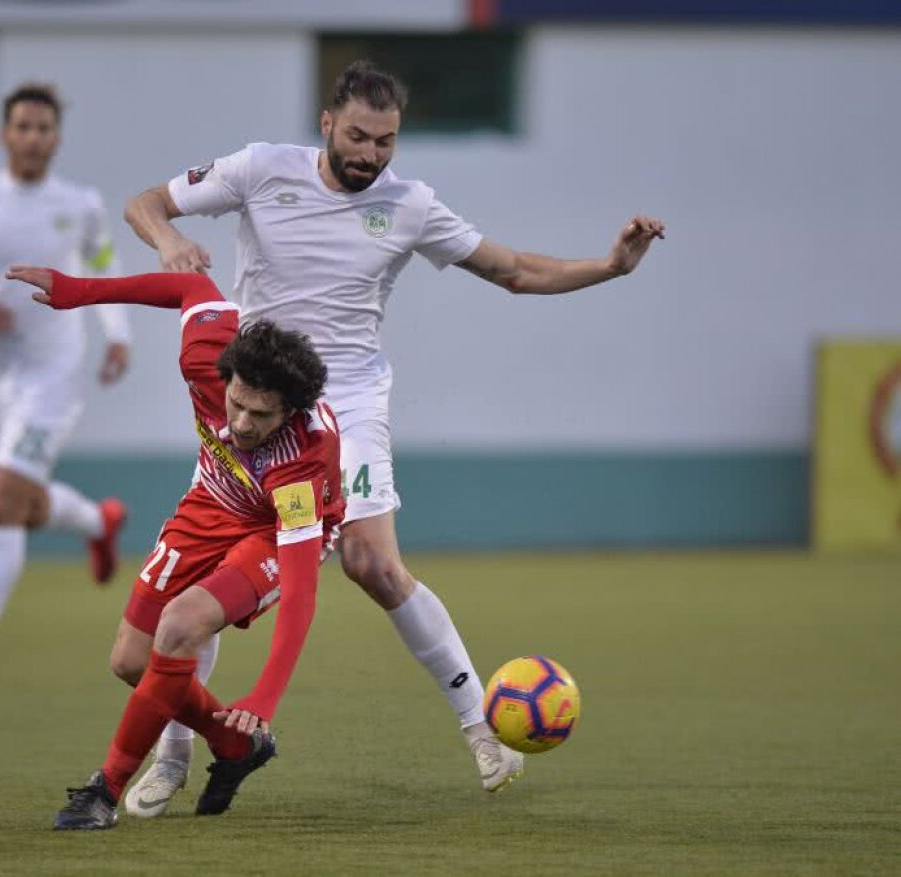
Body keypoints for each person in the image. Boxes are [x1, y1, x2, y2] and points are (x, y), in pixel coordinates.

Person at [122, 60, 666, 805]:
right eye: (357, 136)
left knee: (372, 564)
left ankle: (482, 730)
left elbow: (512, 270)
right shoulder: (259, 169)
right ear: (326, 123)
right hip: (255, 399)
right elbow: (146, 202)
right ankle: (176, 754)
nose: (370, 154)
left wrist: (610, 266)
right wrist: (166, 241)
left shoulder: (410, 205)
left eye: (385, 141)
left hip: (346, 401)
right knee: (201, 574)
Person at [4, 265, 343, 831]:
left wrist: (264, 697)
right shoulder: (205, 356)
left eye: (261, 415)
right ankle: (233, 747)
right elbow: (188, 288)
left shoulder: (303, 461)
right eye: (236, 403)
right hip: (211, 501)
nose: (240, 422)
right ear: (227, 376)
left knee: (181, 627)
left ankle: (103, 791)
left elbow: (302, 591)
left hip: (271, 530)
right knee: (131, 662)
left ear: (289, 411)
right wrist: (81, 292)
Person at [0, 83, 133, 685]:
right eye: (23, 127)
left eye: (44, 128)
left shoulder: (81, 203)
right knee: (22, 504)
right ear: (4, 134)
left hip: (52, 372)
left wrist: (118, 333)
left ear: (56, 137)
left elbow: (102, 264)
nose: (34, 138)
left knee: (4, 503)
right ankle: (98, 521)